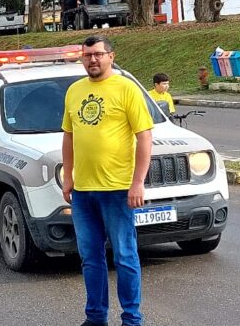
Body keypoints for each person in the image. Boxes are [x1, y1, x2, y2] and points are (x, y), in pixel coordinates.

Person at [61, 35, 153, 326]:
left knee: (125, 256)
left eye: (98, 54)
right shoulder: (74, 91)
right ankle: (96, 317)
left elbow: (144, 137)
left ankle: (132, 320)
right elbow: (69, 135)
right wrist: (68, 175)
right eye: (87, 55)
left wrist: (138, 182)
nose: (92, 60)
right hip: (84, 192)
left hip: (117, 190)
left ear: (111, 56)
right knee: (90, 258)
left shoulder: (127, 89)